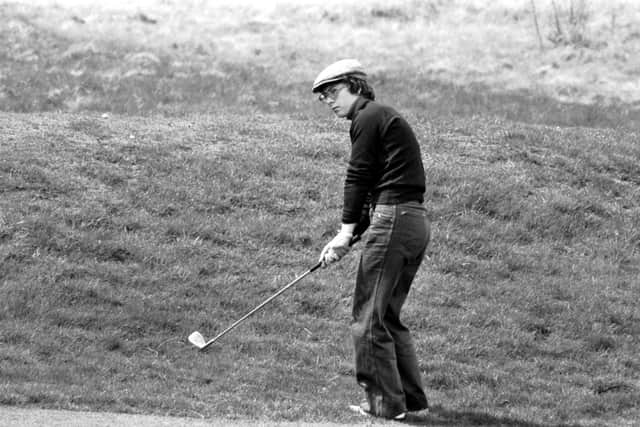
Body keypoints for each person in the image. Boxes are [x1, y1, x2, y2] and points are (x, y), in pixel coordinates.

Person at [313, 59, 431, 420]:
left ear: (356, 86)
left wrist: (346, 230)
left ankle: (384, 405)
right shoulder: (380, 116)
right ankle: (413, 403)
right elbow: (380, 187)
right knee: (387, 318)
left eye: (334, 93)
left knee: (368, 319)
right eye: (324, 98)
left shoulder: (366, 117)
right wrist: (348, 239)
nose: (330, 101)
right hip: (411, 221)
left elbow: (359, 176)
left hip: (394, 219)